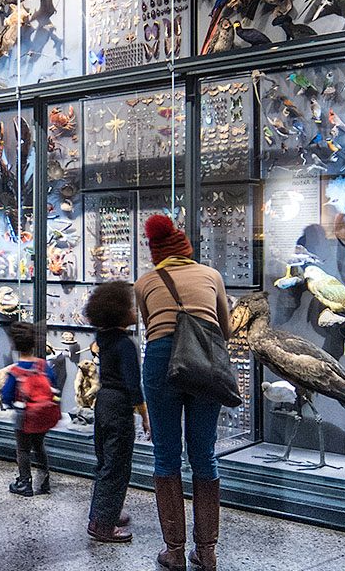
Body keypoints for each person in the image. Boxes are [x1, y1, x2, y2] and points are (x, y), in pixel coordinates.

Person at [135, 214, 231, 571]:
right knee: (204, 454)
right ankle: (206, 551)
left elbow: (150, 327)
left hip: (161, 358)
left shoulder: (145, 282)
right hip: (203, 358)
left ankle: (174, 550)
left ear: (156, 252)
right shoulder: (211, 276)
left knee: (166, 454)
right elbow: (225, 329)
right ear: (185, 249)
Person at [85, 281, 149, 543]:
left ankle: (101, 514)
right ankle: (104, 525)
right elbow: (134, 385)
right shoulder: (125, 344)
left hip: (103, 402)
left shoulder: (104, 338)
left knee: (105, 462)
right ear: (120, 311)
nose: (136, 311)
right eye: (131, 307)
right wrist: (145, 414)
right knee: (118, 465)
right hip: (119, 405)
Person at [3, 320, 59, 497]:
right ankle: (44, 483)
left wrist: (11, 404)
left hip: (24, 415)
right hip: (42, 415)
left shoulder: (15, 371)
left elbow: (6, 395)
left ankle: (24, 483)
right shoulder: (43, 365)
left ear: (14, 345)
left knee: (23, 449)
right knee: (40, 447)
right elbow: (54, 384)